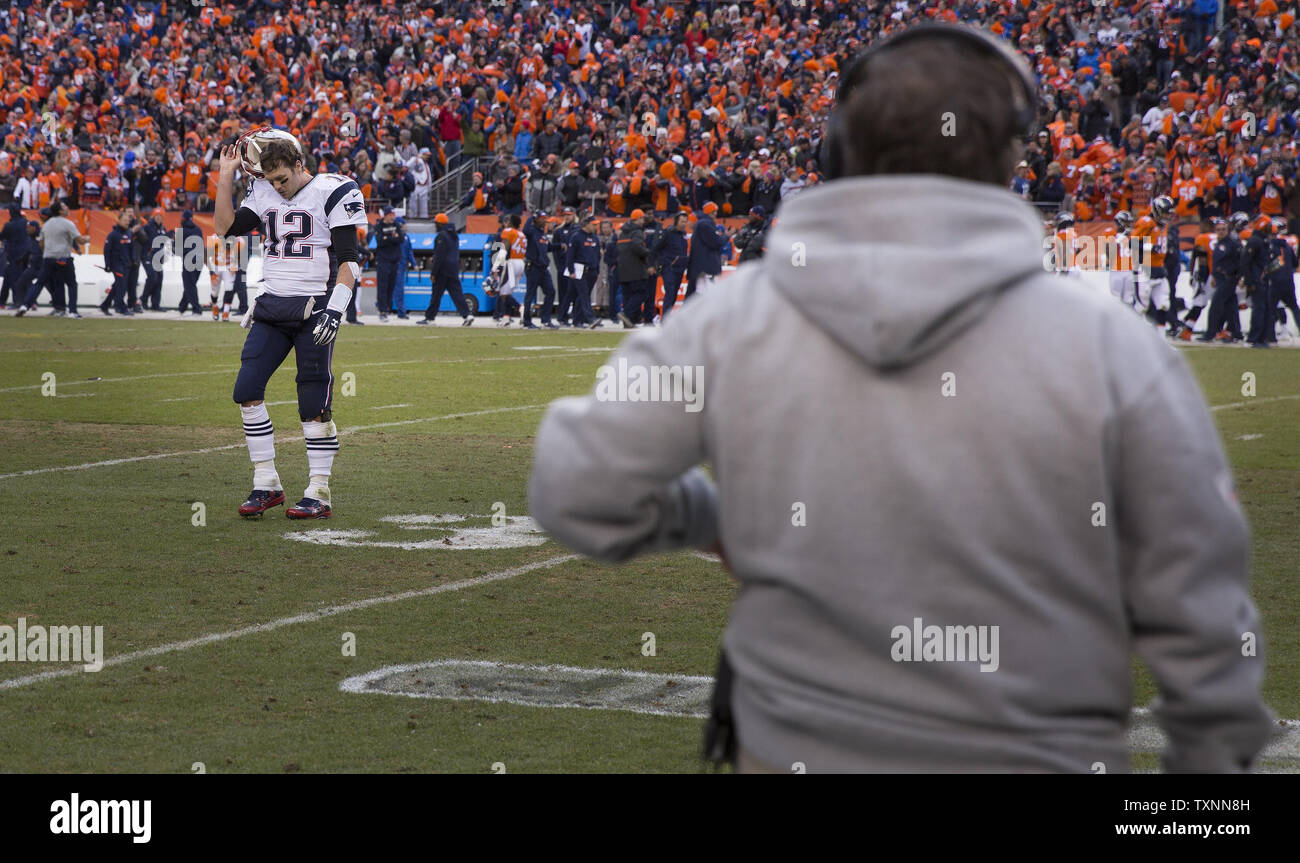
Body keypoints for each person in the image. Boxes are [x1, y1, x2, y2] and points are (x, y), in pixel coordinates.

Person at [528, 24, 1272, 774]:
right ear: (1010, 159)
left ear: (839, 152)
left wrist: (712, 519)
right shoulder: (1114, 348)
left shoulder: (734, 318)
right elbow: (1203, 623)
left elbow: (573, 482)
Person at [215, 131, 367, 520]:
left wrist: (336, 310)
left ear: (300, 165)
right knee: (246, 390)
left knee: (312, 404)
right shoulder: (263, 189)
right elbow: (225, 228)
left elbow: (349, 260)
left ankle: (319, 490)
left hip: (315, 308)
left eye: (283, 178)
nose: (278, 188)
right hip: (271, 307)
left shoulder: (333, 189)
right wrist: (225, 176)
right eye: (271, 180)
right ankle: (266, 482)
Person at [20, 202, 87, 317]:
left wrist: (48, 251)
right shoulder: (68, 224)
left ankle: (25, 305)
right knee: (71, 284)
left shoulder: (46, 225)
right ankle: (72, 311)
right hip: (64, 257)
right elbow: (80, 240)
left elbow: (41, 243)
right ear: (60, 211)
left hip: (48, 258)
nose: (67, 208)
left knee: (41, 283)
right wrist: (86, 239)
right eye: (65, 207)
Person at [417, 213, 473, 326]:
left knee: (436, 295)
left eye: (436, 223)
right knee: (457, 294)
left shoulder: (441, 236)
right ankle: (467, 314)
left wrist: (434, 272)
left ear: (439, 223)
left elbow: (440, 256)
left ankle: (430, 318)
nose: (435, 226)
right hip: (453, 269)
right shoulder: (454, 235)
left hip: (442, 270)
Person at [1198, 217, 1245, 342]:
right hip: (1220, 279)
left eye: (1223, 229)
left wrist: (1241, 277)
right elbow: (1216, 262)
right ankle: (1236, 333)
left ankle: (1210, 333)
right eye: (1218, 229)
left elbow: (1241, 261)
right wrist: (1213, 275)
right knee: (1231, 308)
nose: (1221, 232)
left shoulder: (1233, 244)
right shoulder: (1219, 243)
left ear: (1228, 230)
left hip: (1229, 279)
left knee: (1215, 306)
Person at [615, 208, 654, 327]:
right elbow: (637, 247)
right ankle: (626, 314)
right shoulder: (636, 232)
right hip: (636, 269)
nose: (643, 221)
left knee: (628, 295)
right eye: (642, 218)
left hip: (623, 269)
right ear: (638, 219)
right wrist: (649, 253)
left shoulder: (623, 232)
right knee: (641, 293)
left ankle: (628, 322)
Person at [564, 213, 602, 328]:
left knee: (583, 296)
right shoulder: (576, 237)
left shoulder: (595, 238)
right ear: (586, 224)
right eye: (593, 224)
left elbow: (597, 255)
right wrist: (571, 270)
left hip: (592, 270)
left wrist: (597, 269)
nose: (595, 227)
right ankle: (590, 319)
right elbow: (570, 255)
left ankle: (577, 320)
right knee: (584, 294)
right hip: (580, 270)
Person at [522, 210, 557, 329]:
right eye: (542, 218)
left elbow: (547, 247)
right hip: (533, 267)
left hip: (543, 268)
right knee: (530, 294)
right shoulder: (531, 231)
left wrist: (560, 246)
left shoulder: (543, 233)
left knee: (551, 292)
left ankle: (546, 320)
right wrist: (531, 217)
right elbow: (525, 230)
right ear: (536, 219)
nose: (544, 221)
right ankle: (527, 321)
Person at [653, 212, 690, 321]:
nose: (684, 224)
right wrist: (663, 262)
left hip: (679, 268)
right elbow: (657, 247)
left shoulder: (683, 235)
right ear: (676, 221)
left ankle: (667, 316)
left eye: (685, 221)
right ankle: (664, 319)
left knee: (673, 293)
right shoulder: (668, 233)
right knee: (670, 291)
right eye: (682, 221)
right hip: (669, 267)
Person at [368, 207, 401, 322]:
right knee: (382, 286)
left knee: (391, 287)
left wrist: (388, 238)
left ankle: (386, 309)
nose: (393, 217)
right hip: (383, 260)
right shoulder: (379, 226)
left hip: (394, 260)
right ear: (386, 215)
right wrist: (392, 238)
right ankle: (382, 311)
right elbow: (380, 242)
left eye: (394, 214)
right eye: (391, 214)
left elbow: (400, 238)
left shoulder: (396, 225)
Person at [495, 214, 528, 327]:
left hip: (511, 263)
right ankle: (506, 317)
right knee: (508, 292)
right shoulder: (521, 234)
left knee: (503, 293)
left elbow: (504, 249)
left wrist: (496, 266)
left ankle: (521, 307)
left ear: (511, 222)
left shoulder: (509, 231)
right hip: (521, 262)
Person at [686, 202, 723, 299]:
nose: (716, 214)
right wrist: (726, 236)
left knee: (696, 293)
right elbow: (715, 243)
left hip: (699, 266)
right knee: (703, 294)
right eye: (714, 211)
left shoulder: (701, 224)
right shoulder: (705, 224)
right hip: (704, 267)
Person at [100, 209, 133, 316]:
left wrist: (132, 261)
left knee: (117, 286)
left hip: (126, 264)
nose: (127, 222)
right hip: (116, 265)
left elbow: (131, 248)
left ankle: (105, 305)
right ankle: (120, 307)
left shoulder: (129, 233)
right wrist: (107, 265)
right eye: (125, 220)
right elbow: (107, 250)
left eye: (128, 220)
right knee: (122, 286)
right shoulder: (113, 235)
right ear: (119, 221)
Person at [1, 204, 32, 310]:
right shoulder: (25, 223)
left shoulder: (9, 225)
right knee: (22, 278)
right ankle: (30, 301)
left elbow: (2, 236)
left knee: (14, 279)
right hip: (26, 253)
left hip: (13, 255)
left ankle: (17, 301)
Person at [176, 209, 205, 315]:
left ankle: (196, 309)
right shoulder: (198, 229)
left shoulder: (181, 230)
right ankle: (182, 307)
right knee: (190, 285)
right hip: (199, 262)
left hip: (188, 262)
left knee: (189, 285)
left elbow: (178, 251)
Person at [139, 208, 168, 311]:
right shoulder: (147, 227)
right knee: (152, 277)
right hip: (148, 255)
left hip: (158, 257)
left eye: (161, 216)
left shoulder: (163, 228)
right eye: (157, 216)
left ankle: (155, 304)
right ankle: (144, 299)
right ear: (153, 216)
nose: (159, 218)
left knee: (159, 279)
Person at [394, 218, 414, 320]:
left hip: (402, 266)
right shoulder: (396, 237)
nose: (405, 227)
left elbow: (409, 251)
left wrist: (414, 264)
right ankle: (400, 311)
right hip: (396, 265)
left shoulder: (406, 237)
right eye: (403, 225)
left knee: (398, 289)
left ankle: (400, 311)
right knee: (397, 290)